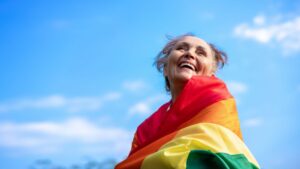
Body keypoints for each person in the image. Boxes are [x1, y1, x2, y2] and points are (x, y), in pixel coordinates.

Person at [115, 34, 260, 169]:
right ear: (165, 69)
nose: (190, 54)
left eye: (201, 53)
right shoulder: (145, 130)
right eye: (181, 48)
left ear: (211, 74)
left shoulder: (218, 101)